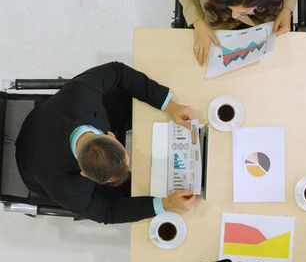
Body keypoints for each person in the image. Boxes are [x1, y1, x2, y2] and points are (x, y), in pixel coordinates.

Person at [15, 62, 198, 224]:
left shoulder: (83, 93)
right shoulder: (66, 188)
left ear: (111, 135)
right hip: (31, 166)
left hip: (44, 119)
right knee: (124, 194)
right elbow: (108, 212)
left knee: (121, 100)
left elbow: (117, 71)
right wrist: (164, 204)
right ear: (84, 174)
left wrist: (169, 105)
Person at [177, 0, 298, 66]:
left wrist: (287, 9)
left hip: (265, 18)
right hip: (217, 18)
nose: (235, 14)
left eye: (243, 10)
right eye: (232, 7)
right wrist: (199, 23)